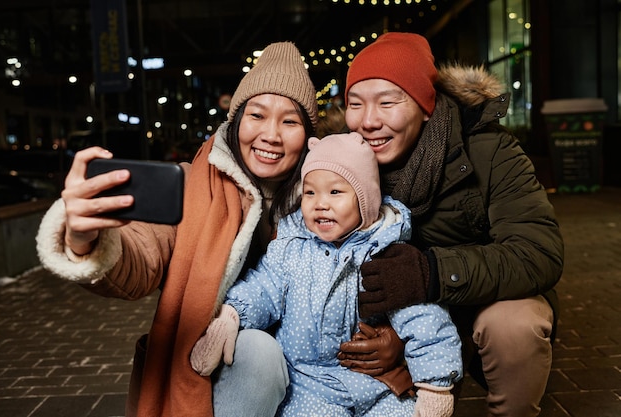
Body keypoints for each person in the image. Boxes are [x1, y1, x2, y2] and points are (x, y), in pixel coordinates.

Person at [35, 41, 318, 417]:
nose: (271, 134)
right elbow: (142, 254)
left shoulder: (330, 197)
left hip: (313, 377)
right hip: (212, 373)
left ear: (308, 136)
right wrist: (87, 237)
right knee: (257, 353)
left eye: (290, 121)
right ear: (235, 123)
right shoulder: (192, 187)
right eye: (257, 115)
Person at [335, 32, 564, 417]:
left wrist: (432, 273)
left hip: (475, 304)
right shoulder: (339, 164)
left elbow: (537, 252)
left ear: (425, 106)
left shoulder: (490, 151)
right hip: (395, 317)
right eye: (355, 104)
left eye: (387, 102)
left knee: (514, 327)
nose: (368, 121)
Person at [189, 132, 463, 417]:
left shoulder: (386, 253)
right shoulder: (291, 248)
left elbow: (423, 318)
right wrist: (233, 314)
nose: (321, 203)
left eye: (335, 192)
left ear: (365, 201)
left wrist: (435, 386)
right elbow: (263, 288)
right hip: (306, 385)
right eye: (310, 192)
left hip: (373, 385)